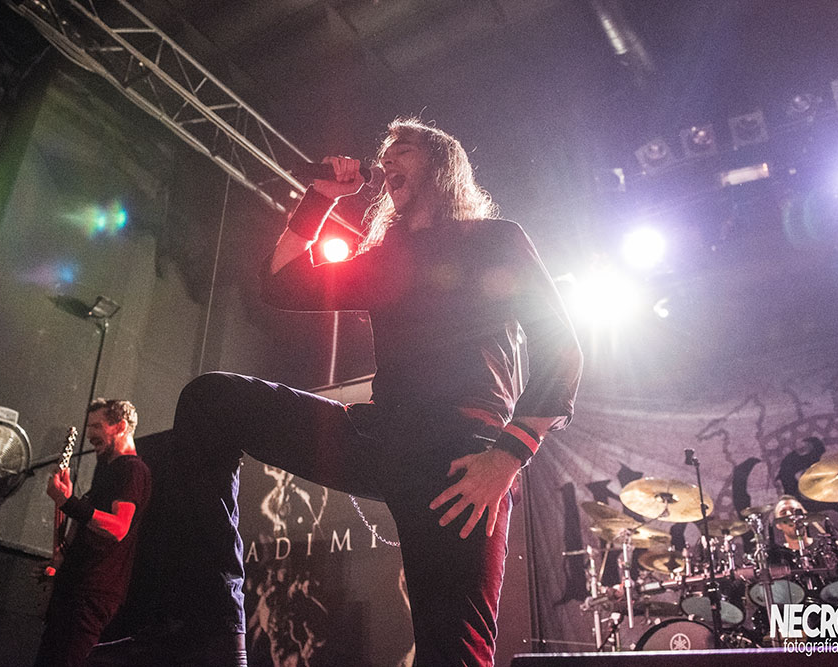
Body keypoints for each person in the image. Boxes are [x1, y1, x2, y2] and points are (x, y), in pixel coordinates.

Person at [152, 118, 583, 666]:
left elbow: (562, 348)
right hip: (379, 434)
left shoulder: (494, 239)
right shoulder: (388, 258)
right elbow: (281, 282)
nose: (386, 160)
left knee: (453, 653)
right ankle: (213, 635)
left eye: (403, 149)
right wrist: (319, 198)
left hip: (459, 455)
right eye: (384, 153)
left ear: (442, 165)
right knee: (212, 400)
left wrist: (508, 456)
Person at [33, 399, 151, 667]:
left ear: (120, 426)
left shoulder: (132, 470)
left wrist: (68, 503)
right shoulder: (109, 471)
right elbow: (86, 525)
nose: (90, 435)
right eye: (89, 427)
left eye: (97, 426)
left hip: (92, 595)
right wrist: (60, 561)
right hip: (75, 590)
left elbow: (118, 528)